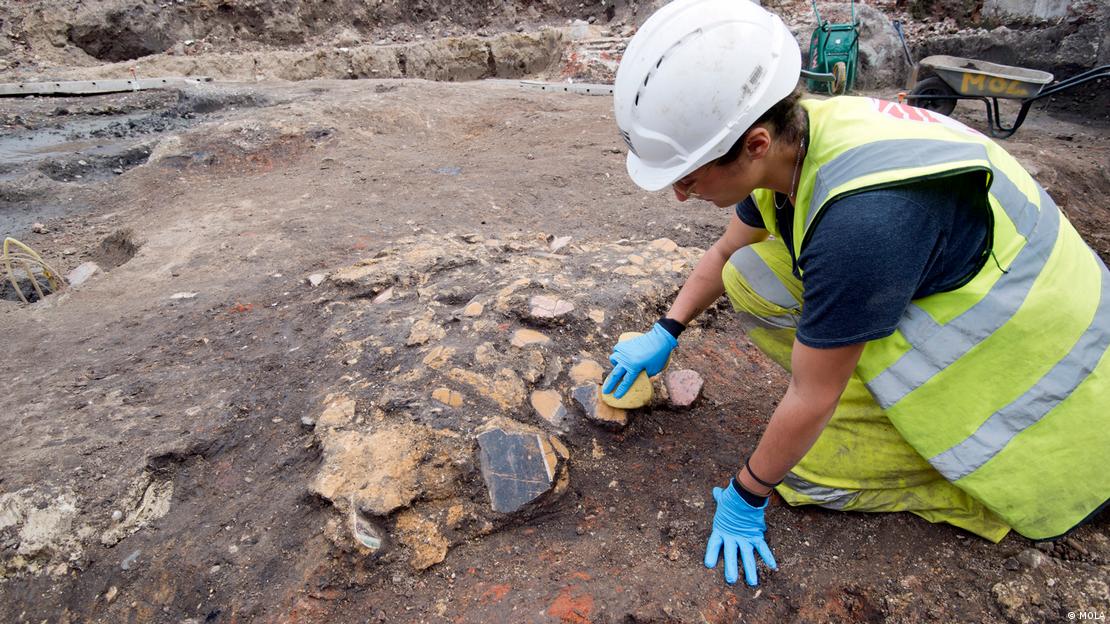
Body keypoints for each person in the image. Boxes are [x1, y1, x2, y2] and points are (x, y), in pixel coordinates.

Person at [604, 0, 1109, 588]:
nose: (681, 196)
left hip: (1051, 401)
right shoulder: (805, 137)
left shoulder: (863, 227)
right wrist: (666, 331)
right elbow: (723, 256)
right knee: (751, 272)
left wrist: (747, 494)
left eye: (688, 176)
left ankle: (982, 485)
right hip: (968, 298)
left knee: (805, 475)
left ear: (756, 143)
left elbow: (812, 395)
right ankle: (871, 386)